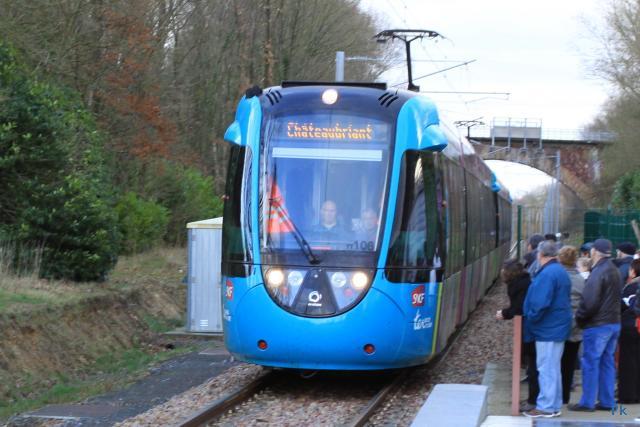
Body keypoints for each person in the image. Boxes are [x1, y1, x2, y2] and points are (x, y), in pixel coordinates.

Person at [570, 238, 622, 412]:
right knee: (607, 362)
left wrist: (580, 318)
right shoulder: (614, 269)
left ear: (594, 252)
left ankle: (587, 402)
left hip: (598, 325)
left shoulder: (598, 272)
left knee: (590, 362)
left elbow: (589, 301)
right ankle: (607, 401)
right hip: (614, 323)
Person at [522, 241, 572, 418]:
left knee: (546, 368)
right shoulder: (559, 271)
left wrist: (532, 318)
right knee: (553, 367)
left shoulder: (547, 274)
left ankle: (546, 406)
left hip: (548, 328)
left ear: (540, 254)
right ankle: (554, 404)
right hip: (557, 326)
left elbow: (540, 303)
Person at [495, 259, 536, 411]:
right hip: (531, 327)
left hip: (529, 329)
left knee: (534, 363)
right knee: (534, 363)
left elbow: (518, 308)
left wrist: (505, 313)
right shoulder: (525, 281)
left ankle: (533, 400)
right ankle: (534, 398)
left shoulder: (517, 286)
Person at [557, 246, 585, 405]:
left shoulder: (559, 277)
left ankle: (554, 395)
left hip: (559, 325)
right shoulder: (581, 279)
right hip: (576, 326)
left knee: (555, 362)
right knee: (569, 364)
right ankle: (565, 396)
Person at [618, 259, 640, 403]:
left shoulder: (631, 287)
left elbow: (625, 305)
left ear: (633, 271)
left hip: (630, 326)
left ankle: (628, 395)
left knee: (628, 362)